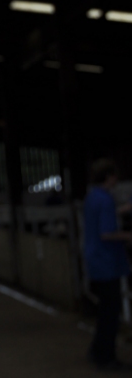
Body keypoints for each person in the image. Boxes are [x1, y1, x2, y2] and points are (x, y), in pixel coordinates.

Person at [83, 158, 132, 371]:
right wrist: (128, 235)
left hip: (97, 260)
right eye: (114, 175)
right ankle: (107, 358)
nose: (116, 179)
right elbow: (107, 233)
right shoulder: (105, 200)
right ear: (109, 177)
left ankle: (97, 351)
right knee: (110, 313)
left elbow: (104, 219)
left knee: (105, 311)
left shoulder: (94, 196)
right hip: (107, 262)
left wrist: (126, 208)